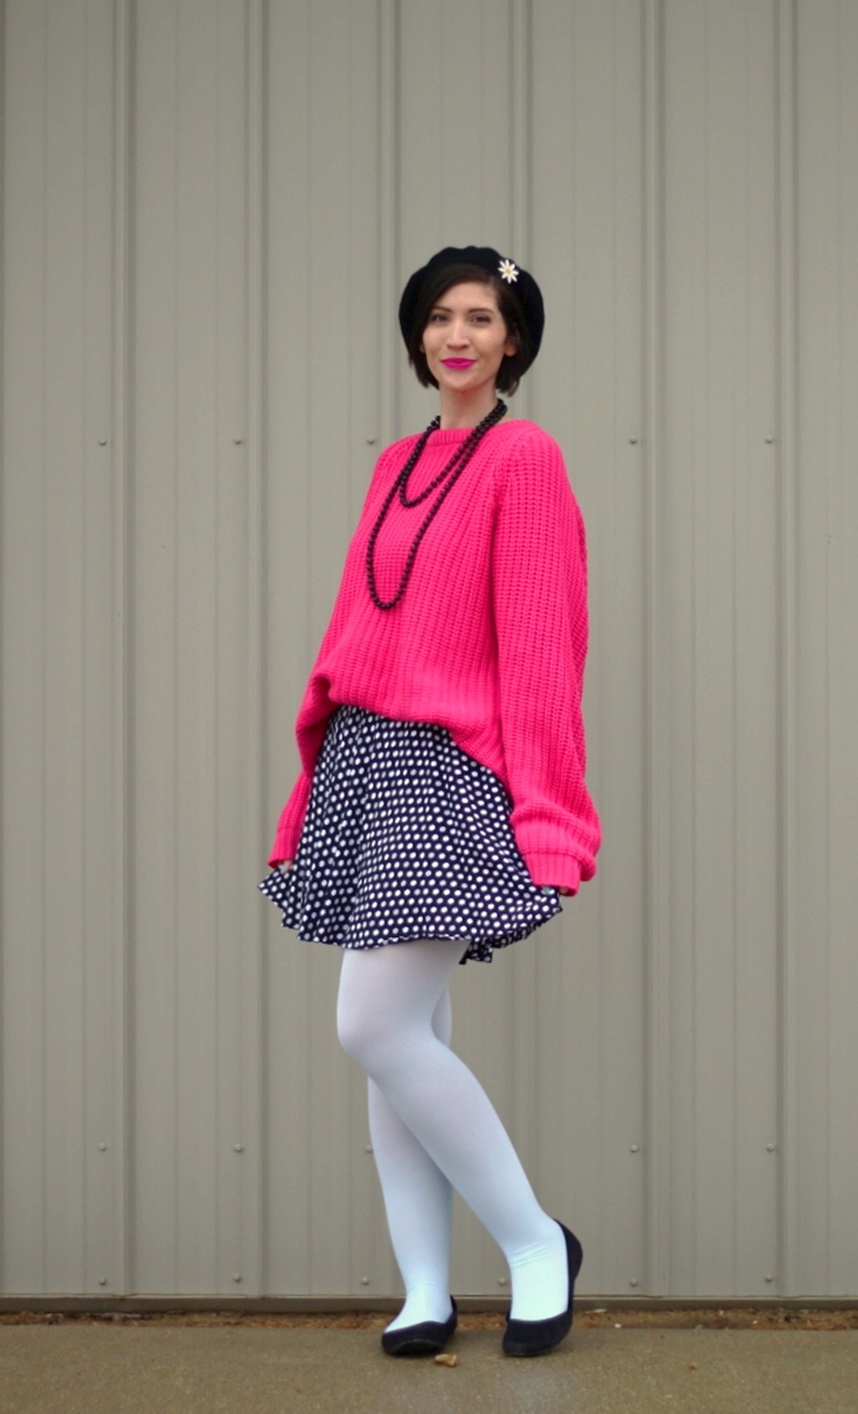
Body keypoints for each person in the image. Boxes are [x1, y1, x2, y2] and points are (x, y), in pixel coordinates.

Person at [260, 246, 600, 1358]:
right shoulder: (398, 462)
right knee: (403, 1034)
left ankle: (536, 1242)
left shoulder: (525, 457)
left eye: (484, 319)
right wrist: (320, 754)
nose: (459, 335)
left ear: (514, 343)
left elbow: (544, 648)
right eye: (442, 318)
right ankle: (423, 1288)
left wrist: (548, 812)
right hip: (367, 755)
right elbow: (363, 624)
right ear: (418, 338)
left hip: (447, 770)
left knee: (373, 1024)